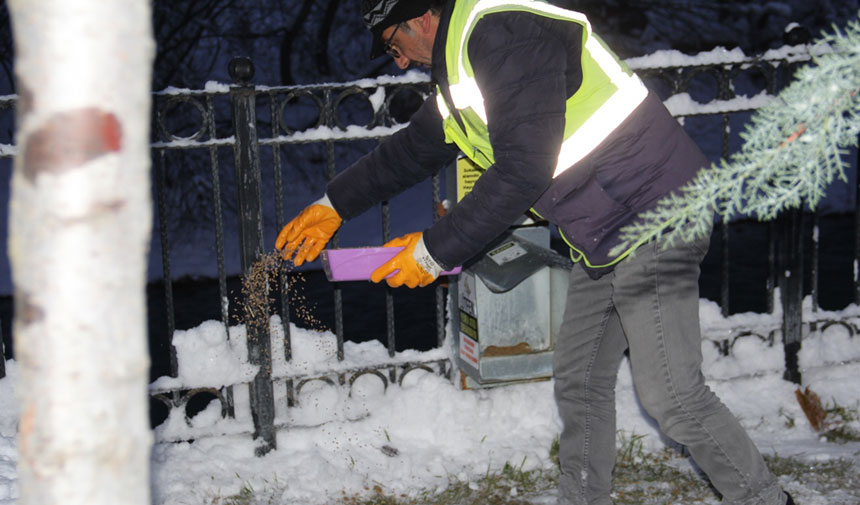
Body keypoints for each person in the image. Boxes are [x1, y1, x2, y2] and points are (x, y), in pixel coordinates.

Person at [276, 1, 795, 504]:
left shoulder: (506, 36)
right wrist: (334, 205)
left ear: (419, 16)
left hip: (654, 216)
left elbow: (523, 170)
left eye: (395, 43)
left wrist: (433, 252)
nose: (400, 60)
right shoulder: (464, 62)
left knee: (671, 396)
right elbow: (414, 149)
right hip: (605, 234)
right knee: (580, 381)